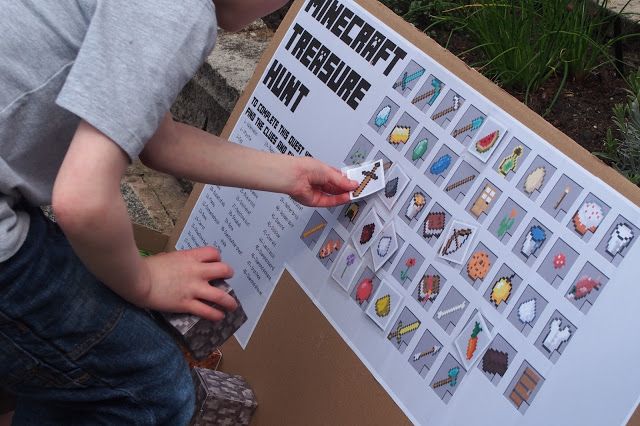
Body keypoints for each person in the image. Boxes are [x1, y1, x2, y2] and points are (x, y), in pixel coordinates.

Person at [0, 0, 357, 424]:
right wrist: (144, 281)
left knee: (70, 370)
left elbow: (161, 141)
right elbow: (83, 200)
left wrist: (290, 174)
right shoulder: (177, 10)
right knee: (149, 385)